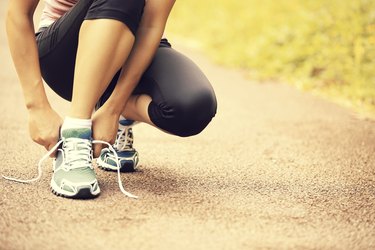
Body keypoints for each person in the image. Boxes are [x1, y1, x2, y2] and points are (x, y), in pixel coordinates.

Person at [5, 0, 217, 199]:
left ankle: (118, 112)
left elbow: (151, 25)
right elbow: (18, 13)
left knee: (193, 107)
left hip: (129, 41)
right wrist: (37, 107)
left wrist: (113, 108)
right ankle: (76, 133)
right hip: (64, 54)